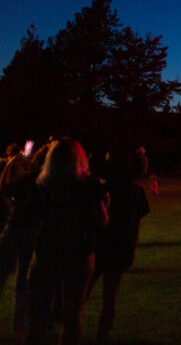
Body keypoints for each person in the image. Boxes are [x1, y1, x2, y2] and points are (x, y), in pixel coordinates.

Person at [27, 138, 106, 345]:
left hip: (47, 251)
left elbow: (31, 219)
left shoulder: (42, 184)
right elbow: (102, 219)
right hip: (79, 253)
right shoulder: (89, 184)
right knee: (72, 315)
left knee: (38, 315)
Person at [93, 148, 150, 342]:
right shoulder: (136, 190)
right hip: (120, 245)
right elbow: (138, 219)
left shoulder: (105, 186)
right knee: (110, 297)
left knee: (81, 293)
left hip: (100, 242)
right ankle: (100, 337)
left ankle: (71, 332)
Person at [0, 145, 42, 335]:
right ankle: (19, 322)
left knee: (10, 273)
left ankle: (19, 321)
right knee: (20, 276)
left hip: (19, 230)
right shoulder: (27, 182)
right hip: (26, 231)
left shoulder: (23, 182)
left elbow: (9, 184)